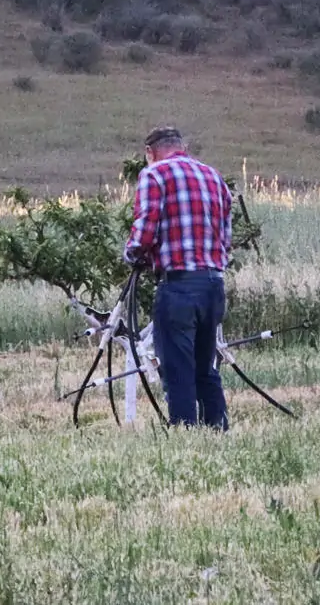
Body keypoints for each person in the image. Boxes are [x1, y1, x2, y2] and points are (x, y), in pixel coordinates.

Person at [122, 126, 234, 431]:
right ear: (180, 147)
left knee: (177, 368)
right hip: (213, 284)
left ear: (150, 152)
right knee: (205, 367)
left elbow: (145, 228)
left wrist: (132, 255)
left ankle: (185, 433)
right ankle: (217, 431)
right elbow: (226, 236)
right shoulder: (213, 176)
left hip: (179, 286)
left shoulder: (155, 174)